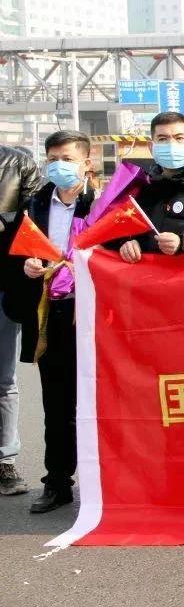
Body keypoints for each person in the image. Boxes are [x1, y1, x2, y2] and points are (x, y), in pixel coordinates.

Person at [2, 131, 94, 512]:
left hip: (92, 317)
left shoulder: (103, 204)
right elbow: (15, 254)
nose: (59, 166)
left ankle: (104, 486)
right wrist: (26, 266)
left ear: (87, 162)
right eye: (53, 159)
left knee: (99, 404)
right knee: (56, 406)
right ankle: (57, 483)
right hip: (50, 315)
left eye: (67, 159)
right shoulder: (35, 204)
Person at [116, 111, 184, 264]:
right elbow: (119, 232)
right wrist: (127, 244)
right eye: (163, 139)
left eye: (179, 138)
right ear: (151, 147)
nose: (171, 145)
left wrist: (183, 244)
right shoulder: (141, 190)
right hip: (147, 277)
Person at [0, 145, 42, 498]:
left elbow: (36, 220)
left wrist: (5, 221)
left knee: (3, 380)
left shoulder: (17, 163)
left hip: (4, 285)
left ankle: (4, 460)